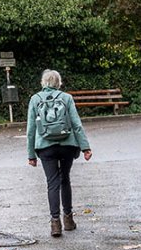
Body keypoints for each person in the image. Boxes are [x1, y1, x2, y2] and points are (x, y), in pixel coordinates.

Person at [26, 69, 92, 237]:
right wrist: (85, 147)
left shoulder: (35, 99)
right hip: (67, 145)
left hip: (45, 147)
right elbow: (76, 124)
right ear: (58, 83)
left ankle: (55, 223)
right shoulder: (66, 98)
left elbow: (31, 130)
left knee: (52, 182)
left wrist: (31, 155)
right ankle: (68, 220)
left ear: (43, 82)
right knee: (65, 179)